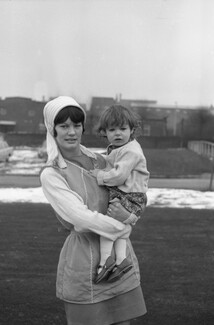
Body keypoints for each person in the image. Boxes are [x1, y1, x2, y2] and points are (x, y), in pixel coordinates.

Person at [40, 96, 147, 325]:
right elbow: (80, 218)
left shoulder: (100, 160)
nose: (71, 132)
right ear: (53, 130)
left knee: (124, 322)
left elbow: (133, 189)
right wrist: (125, 224)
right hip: (86, 260)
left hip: (120, 258)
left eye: (76, 125)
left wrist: (130, 214)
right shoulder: (52, 174)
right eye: (64, 126)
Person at [90, 105, 149, 284]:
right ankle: (122, 260)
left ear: (132, 130)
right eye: (112, 129)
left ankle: (105, 262)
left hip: (130, 196)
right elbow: (110, 160)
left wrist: (100, 176)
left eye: (123, 129)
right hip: (129, 194)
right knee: (120, 230)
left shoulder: (131, 150)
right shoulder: (119, 148)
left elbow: (118, 175)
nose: (118, 133)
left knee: (109, 226)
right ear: (104, 132)